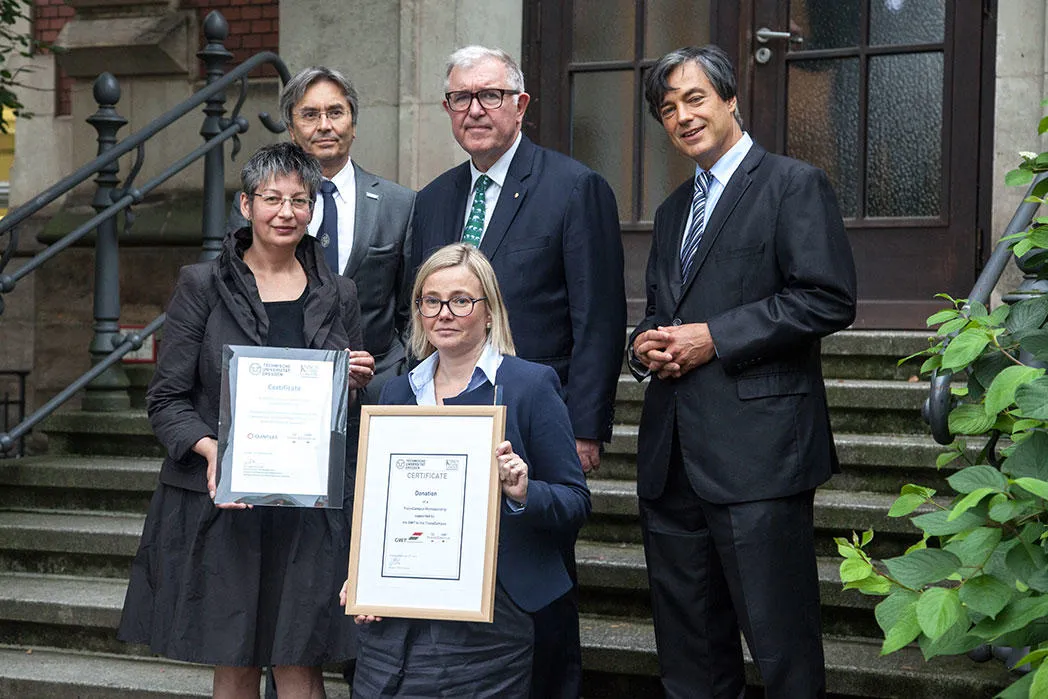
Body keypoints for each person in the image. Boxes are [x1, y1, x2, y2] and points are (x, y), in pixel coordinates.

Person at [628, 45, 857, 698]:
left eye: (694, 98)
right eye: (668, 108)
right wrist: (646, 346)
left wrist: (715, 338)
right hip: (672, 460)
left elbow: (828, 297)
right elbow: (661, 313)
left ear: (730, 99)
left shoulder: (793, 184)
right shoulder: (673, 211)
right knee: (690, 659)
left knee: (782, 650)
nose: (682, 116)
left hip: (760, 457)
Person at [118, 142, 376, 698]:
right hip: (226, 503)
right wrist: (213, 450)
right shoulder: (201, 286)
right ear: (245, 205)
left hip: (310, 510)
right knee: (234, 660)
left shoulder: (340, 293)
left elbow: (343, 411)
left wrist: (354, 382)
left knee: (301, 661)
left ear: (314, 210)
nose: (286, 212)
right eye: (272, 199)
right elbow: (166, 399)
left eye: (300, 201)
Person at [411, 46, 625, 696]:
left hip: (536, 424)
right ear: (447, 109)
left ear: (520, 104)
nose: (474, 109)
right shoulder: (431, 200)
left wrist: (585, 428)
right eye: (460, 98)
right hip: (440, 428)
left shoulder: (573, 187)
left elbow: (599, 316)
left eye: (490, 95)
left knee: (538, 589)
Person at [342, 243, 591, 698]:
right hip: (405, 609)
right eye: (430, 301)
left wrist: (522, 492)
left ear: (490, 312)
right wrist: (362, 574)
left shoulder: (529, 386)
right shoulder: (395, 394)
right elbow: (374, 505)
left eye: (461, 300)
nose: (444, 313)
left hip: (500, 610)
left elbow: (575, 501)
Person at [229, 66, 415, 402]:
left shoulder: (398, 204)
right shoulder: (261, 206)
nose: (324, 125)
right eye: (310, 114)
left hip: (376, 388)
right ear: (291, 128)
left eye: (336, 113)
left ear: (353, 125)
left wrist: (400, 375)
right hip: (283, 388)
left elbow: (409, 307)